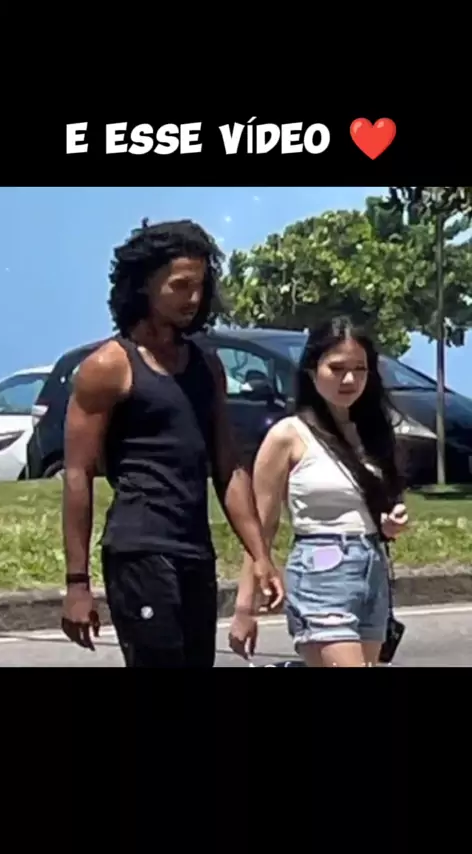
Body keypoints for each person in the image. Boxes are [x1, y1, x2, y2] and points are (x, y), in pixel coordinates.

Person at [61, 218, 284, 667]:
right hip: (139, 548)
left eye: (200, 286)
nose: (193, 298)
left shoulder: (207, 366)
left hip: (194, 550)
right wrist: (77, 583)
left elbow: (228, 467)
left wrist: (260, 555)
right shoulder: (108, 366)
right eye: (180, 286)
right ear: (145, 285)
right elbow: (78, 474)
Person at [229, 316, 408, 667]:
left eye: (360, 369)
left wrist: (390, 523)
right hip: (321, 569)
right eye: (337, 368)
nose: (349, 380)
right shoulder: (288, 434)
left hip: (372, 570)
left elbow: (378, 507)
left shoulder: (374, 433)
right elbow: (261, 527)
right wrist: (245, 608)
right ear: (312, 371)